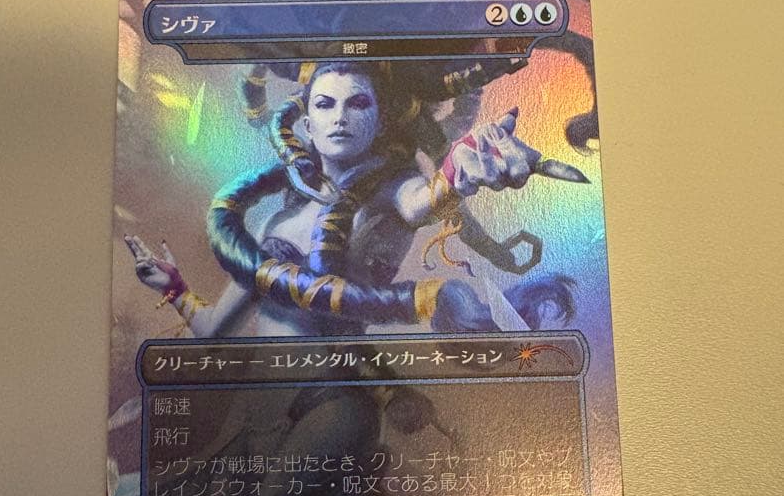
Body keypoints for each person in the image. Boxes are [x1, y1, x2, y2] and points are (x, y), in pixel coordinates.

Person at [124, 62, 584, 336]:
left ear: (380, 121)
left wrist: (460, 173)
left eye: (358, 103)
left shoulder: (392, 189)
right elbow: (213, 330)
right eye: (325, 104)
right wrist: (173, 288)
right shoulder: (275, 224)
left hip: (338, 404)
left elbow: (421, 202)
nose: (340, 117)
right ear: (307, 125)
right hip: (265, 412)